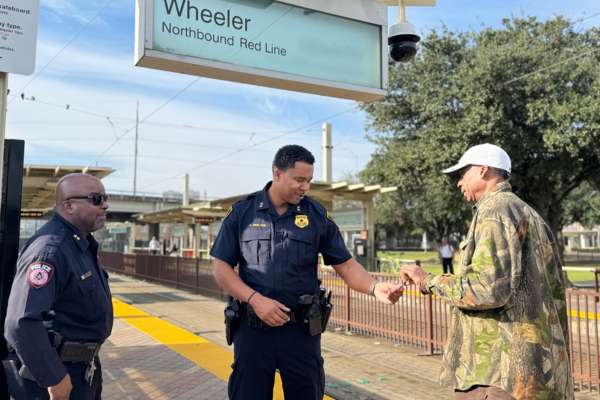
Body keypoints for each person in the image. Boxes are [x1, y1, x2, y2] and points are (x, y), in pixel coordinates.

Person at [211, 145, 403, 400]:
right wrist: (255, 300)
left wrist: (375, 287)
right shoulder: (243, 213)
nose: (305, 187)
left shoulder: (315, 215)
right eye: (299, 180)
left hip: (300, 332)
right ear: (277, 173)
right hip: (253, 330)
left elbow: (345, 264)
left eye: (309, 180)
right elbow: (221, 267)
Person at [401, 143, 574, 400]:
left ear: (483, 170)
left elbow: (487, 289)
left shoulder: (494, 211)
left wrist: (426, 280)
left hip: (496, 373)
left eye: (462, 174)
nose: (459, 183)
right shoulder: (528, 212)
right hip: (535, 371)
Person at [4, 173, 113, 400]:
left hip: (83, 371)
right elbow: (21, 322)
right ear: (69, 205)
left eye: (105, 197)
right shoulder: (50, 250)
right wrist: (54, 377)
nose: (105, 205)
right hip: (56, 379)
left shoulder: (80, 246)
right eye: (96, 199)